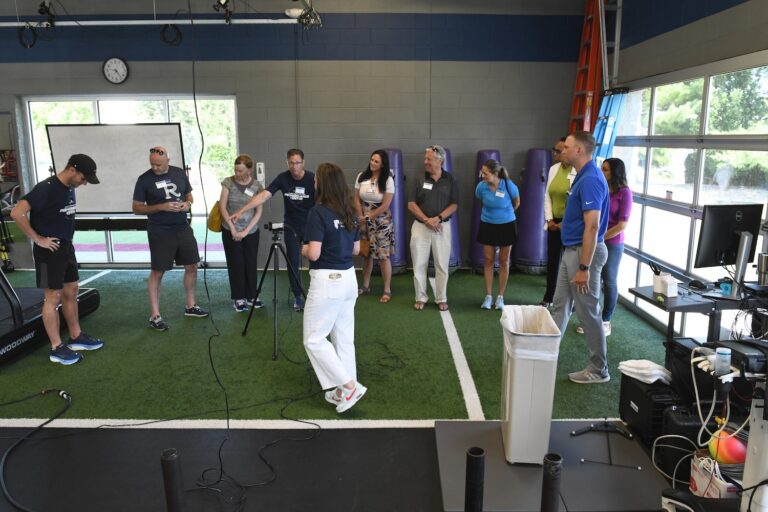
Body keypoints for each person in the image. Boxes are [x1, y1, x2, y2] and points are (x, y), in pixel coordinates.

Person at [11, 154, 104, 365]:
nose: (85, 182)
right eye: (83, 178)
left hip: (66, 248)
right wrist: (37, 239)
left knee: (71, 290)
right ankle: (56, 348)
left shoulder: (69, 187)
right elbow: (17, 213)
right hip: (48, 251)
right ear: (72, 170)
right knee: (52, 298)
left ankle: (76, 336)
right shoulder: (47, 187)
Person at [301, 163, 366, 414]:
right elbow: (356, 250)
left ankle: (348, 386)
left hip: (328, 281)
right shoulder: (350, 211)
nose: (314, 183)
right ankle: (346, 388)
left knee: (314, 339)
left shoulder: (317, 213)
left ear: (324, 184)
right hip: (349, 279)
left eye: (316, 179)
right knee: (343, 338)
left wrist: (302, 249)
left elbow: (314, 254)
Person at [550, 131, 610, 384]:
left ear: (580, 151)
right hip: (571, 251)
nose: (562, 149)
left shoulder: (591, 180)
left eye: (567, 147)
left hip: (583, 255)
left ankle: (599, 369)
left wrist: (584, 266)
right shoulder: (582, 176)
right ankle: (546, 354)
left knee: (587, 313)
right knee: (559, 305)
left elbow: (593, 227)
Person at [132, 146, 208, 332]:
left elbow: (189, 195)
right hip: (159, 230)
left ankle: (190, 306)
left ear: (168, 160)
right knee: (158, 271)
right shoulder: (144, 179)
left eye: (158, 164)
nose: (155, 168)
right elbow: (136, 208)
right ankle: (155, 315)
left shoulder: (179, 173)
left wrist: (187, 204)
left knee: (192, 265)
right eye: (152, 164)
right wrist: (161, 207)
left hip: (182, 227)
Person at [230, 149, 315, 311]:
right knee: (293, 262)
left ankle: (315, 294)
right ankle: (297, 297)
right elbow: (263, 195)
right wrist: (242, 210)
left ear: (303, 163)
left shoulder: (312, 178)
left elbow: (324, 201)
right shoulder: (283, 178)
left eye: (298, 163)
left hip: (311, 226)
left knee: (315, 260)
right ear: (287, 163)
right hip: (291, 226)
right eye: (291, 163)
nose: (295, 166)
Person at [407, 145, 459, 311]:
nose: (425, 162)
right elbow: (411, 204)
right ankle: (420, 297)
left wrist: (438, 219)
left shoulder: (449, 179)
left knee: (442, 266)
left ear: (440, 160)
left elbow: (454, 204)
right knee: (419, 265)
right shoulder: (419, 178)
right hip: (420, 227)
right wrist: (426, 220)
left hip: (442, 227)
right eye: (425, 158)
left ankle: (441, 298)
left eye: (428, 159)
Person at [218, 154, 264, 312]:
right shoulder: (228, 182)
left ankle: (252, 296)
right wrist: (232, 228)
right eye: (236, 170)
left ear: (249, 170)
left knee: (250, 263)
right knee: (236, 264)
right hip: (230, 230)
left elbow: (258, 211)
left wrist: (245, 231)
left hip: (250, 231)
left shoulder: (257, 185)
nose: (237, 173)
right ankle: (238, 297)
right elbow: (222, 207)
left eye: (241, 171)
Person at [474, 159, 520, 310]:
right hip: (487, 224)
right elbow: (480, 199)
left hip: (507, 225)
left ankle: (500, 297)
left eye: (485, 173)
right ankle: (488, 296)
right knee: (488, 260)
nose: (483, 176)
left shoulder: (508, 185)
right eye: (482, 173)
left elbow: (516, 202)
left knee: (504, 261)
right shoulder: (481, 187)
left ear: (495, 174)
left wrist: (507, 214)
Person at [355, 150, 395, 303]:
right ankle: (365, 286)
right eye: (372, 160)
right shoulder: (361, 176)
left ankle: (387, 289)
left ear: (383, 164)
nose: (372, 163)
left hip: (381, 220)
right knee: (366, 254)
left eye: (376, 161)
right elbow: (356, 200)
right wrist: (361, 219)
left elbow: (385, 205)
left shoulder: (388, 180)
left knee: (383, 256)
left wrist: (368, 218)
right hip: (363, 218)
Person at [541, 137, 576, 307]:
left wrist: (565, 223)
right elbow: (547, 196)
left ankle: (572, 302)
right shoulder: (554, 169)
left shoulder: (577, 171)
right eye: (554, 150)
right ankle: (549, 297)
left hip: (571, 224)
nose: (555, 153)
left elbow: (575, 200)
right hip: (553, 223)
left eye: (559, 150)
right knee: (553, 261)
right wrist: (549, 220)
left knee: (571, 262)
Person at [599, 157, 632, 336]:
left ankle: (606, 320)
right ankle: (593, 319)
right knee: (594, 281)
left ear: (615, 173)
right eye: (602, 168)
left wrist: (600, 238)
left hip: (612, 244)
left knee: (609, 280)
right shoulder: (602, 189)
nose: (602, 172)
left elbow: (621, 225)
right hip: (597, 240)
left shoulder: (625, 193)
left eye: (605, 169)